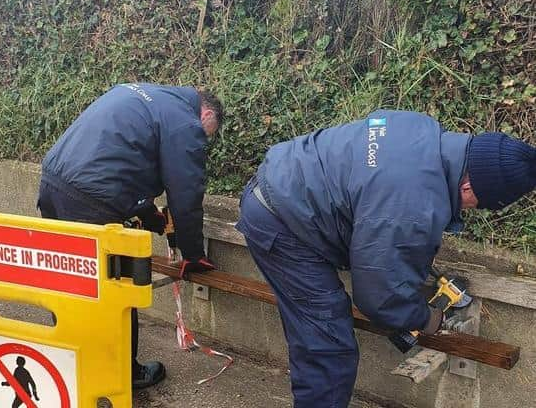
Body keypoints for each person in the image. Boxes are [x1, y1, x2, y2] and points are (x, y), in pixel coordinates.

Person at [236, 110, 536, 407]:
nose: (469, 209)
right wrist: (427, 318)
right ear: (469, 188)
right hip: (281, 222)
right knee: (327, 345)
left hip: (283, 189)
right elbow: (377, 297)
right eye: (478, 204)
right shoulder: (410, 203)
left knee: (323, 331)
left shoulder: (420, 131)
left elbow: (378, 221)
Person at [38, 83, 224, 389]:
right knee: (117, 285)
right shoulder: (185, 122)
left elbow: (118, 159)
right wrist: (193, 254)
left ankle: (67, 359)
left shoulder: (141, 94)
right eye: (207, 134)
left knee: (68, 278)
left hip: (53, 185)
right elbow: (185, 195)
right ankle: (125, 373)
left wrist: (150, 215)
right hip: (92, 199)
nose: (202, 140)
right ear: (205, 112)